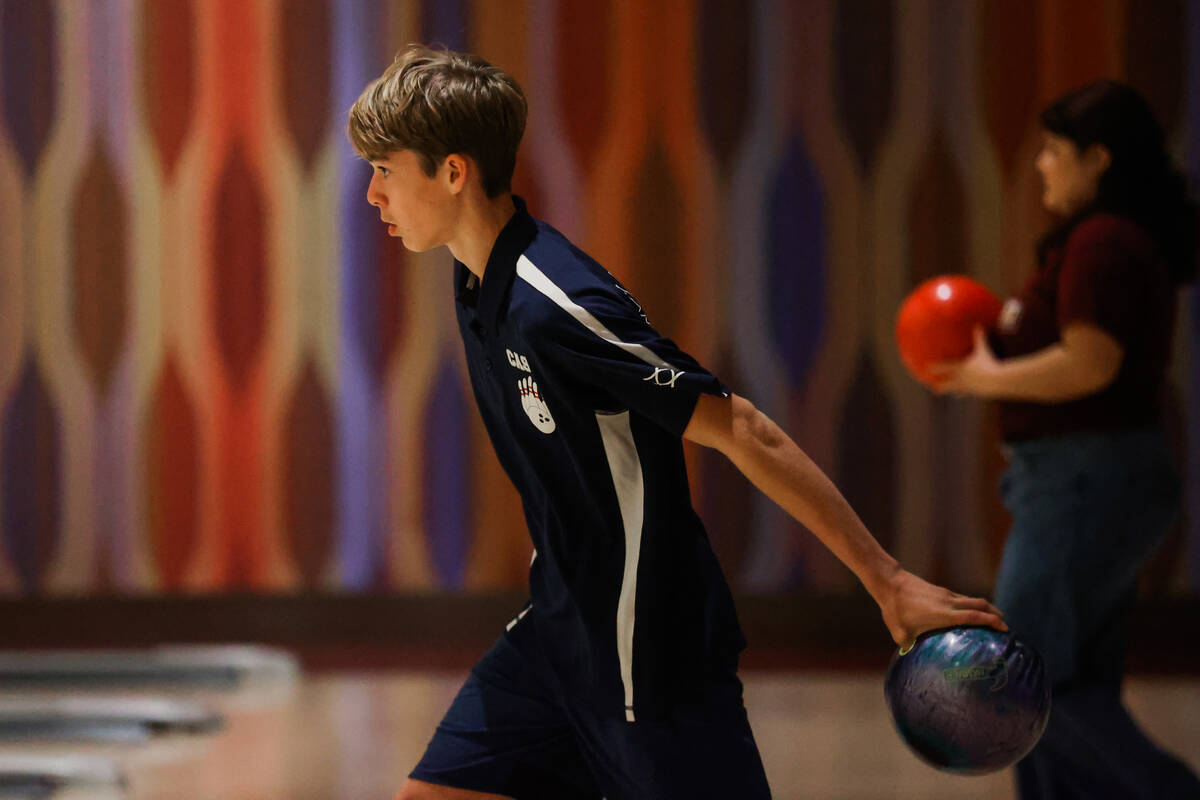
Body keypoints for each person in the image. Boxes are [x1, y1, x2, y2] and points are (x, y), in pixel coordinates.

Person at [348, 45, 1006, 800]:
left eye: (386, 169)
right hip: (560, 631)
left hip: (647, 654)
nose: (373, 195)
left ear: (453, 171)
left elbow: (743, 428)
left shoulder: (555, 305)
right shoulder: (475, 282)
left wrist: (887, 582)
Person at [934, 80, 1200, 799]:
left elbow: (1090, 363)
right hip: (1091, 479)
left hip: (1086, 480)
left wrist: (983, 376)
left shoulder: (1105, 239)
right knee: (1062, 679)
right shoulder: (1104, 239)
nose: (1043, 165)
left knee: (1024, 683)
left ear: (1099, 159)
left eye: (1055, 151)